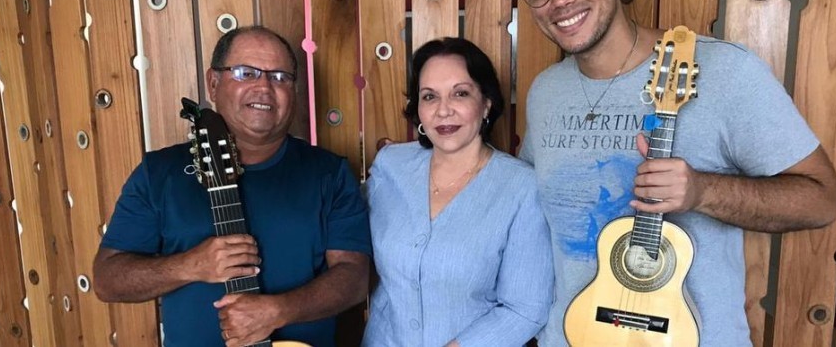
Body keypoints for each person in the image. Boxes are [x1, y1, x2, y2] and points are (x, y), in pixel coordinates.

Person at [515, 0, 836, 346]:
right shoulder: (545, 92)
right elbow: (523, 212)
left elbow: (822, 200)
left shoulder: (725, 72)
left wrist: (702, 191)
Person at [93, 26, 371, 347]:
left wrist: (278, 311)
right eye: (245, 73)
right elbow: (107, 280)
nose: (264, 87)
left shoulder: (329, 173)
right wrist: (190, 265)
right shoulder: (159, 174)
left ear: (294, 91)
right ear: (213, 83)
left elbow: (354, 277)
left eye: (280, 77)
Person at [362, 37, 554, 347]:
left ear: (486, 103)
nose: (443, 110)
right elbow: (342, 228)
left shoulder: (521, 188)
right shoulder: (391, 166)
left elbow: (526, 309)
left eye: (460, 93)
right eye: (429, 96)